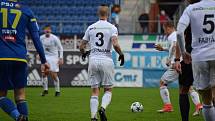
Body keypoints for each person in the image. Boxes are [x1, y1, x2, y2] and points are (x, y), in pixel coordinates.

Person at [0, 0, 49, 121]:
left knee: (1, 95)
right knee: (20, 95)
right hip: (20, 57)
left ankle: (18, 117)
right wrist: (44, 60)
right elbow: (36, 38)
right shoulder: (26, 10)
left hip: (1, 56)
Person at [80, 5, 124, 121]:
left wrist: (84, 53)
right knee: (108, 90)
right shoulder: (112, 27)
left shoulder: (91, 27)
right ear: (108, 14)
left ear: (98, 14)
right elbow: (115, 44)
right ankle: (103, 108)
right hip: (106, 60)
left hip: (93, 60)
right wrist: (121, 54)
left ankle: (93, 117)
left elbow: (81, 45)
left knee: (95, 91)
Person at [177, 0, 215, 120]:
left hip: (196, 56)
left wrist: (181, 55)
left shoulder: (191, 9)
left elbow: (179, 33)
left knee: (205, 98)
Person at [155, 22, 201, 114]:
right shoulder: (177, 35)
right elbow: (176, 47)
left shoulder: (172, 36)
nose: (165, 32)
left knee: (162, 83)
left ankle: (168, 106)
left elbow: (175, 46)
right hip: (185, 63)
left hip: (177, 64)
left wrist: (170, 60)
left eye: (164, 30)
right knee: (188, 87)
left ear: (168, 28)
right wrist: (163, 49)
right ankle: (199, 106)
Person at [175, 0, 202, 121]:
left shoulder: (190, 10)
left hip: (191, 55)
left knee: (183, 89)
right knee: (211, 91)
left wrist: (177, 59)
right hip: (211, 53)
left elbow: (180, 34)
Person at [40, 25, 64, 97]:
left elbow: (60, 48)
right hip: (45, 57)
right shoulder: (41, 38)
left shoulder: (55, 38)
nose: (47, 31)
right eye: (46, 29)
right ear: (44, 30)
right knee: (44, 73)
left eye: (49, 29)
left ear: (50, 30)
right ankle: (45, 90)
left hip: (54, 57)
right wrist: (39, 54)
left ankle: (57, 91)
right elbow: (40, 47)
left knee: (54, 75)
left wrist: (61, 58)